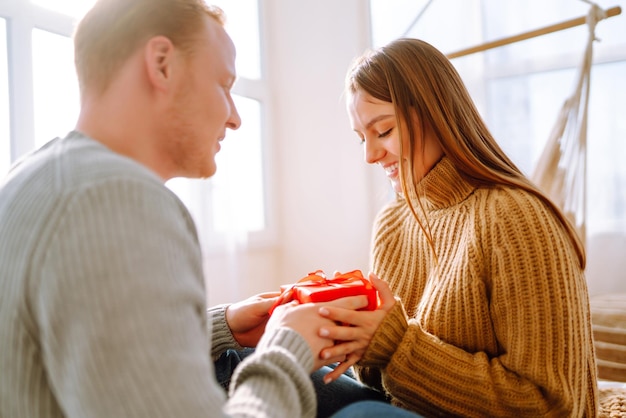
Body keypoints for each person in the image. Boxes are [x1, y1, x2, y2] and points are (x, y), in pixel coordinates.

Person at [0, 1, 422, 417]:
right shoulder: (116, 199)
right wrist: (285, 351)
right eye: (224, 85)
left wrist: (226, 326)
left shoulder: (32, 180)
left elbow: (94, 342)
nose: (235, 117)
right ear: (162, 63)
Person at [314, 38, 598, 417]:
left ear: (436, 115)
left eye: (382, 132)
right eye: (361, 138)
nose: (369, 155)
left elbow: (549, 404)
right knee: (253, 360)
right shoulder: (392, 223)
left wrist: (395, 344)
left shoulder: (515, 218)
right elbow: (382, 382)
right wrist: (352, 332)